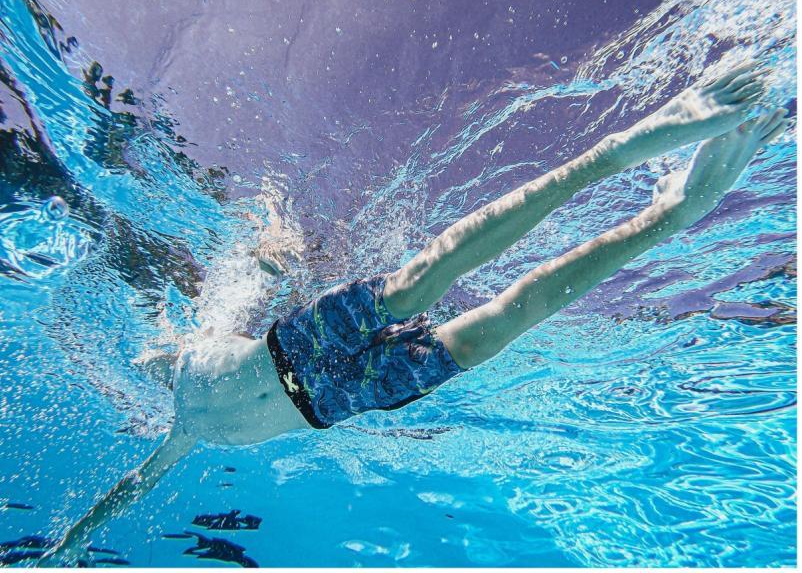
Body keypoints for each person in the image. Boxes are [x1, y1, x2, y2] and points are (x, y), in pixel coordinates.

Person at [39, 62, 788, 565]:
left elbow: (131, 484)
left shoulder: (189, 385)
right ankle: (670, 211)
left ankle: (636, 178)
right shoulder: (183, 411)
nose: (145, 358)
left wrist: (71, 545)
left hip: (308, 364)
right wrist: (68, 547)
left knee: (473, 298)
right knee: (477, 302)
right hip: (335, 391)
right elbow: (127, 492)